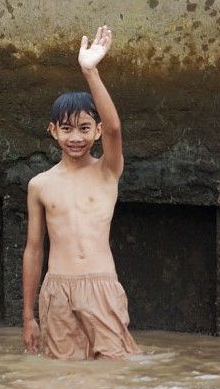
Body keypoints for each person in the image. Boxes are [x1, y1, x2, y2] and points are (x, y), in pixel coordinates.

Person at [21, 25, 140, 360]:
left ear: (97, 131)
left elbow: (115, 128)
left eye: (85, 128)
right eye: (67, 129)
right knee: (62, 378)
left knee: (115, 369)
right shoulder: (40, 185)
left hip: (101, 286)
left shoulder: (107, 171)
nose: (76, 137)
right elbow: (33, 250)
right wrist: (28, 316)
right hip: (57, 290)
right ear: (53, 131)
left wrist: (90, 71)